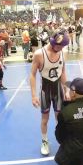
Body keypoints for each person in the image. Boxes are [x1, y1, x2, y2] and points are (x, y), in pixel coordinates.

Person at [30, 28, 69, 156]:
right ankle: (45, 141)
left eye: (63, 46)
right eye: (60, 46)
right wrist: (34, 95)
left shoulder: (62, 52)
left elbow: (62, 72)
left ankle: (62, 140)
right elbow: (32, 74)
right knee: (45, 119)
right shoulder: (39, 54)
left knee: (60, 119)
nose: (62, 48)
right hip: (45, 91)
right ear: (53, 42)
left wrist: (67, 90)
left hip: (58, 90)